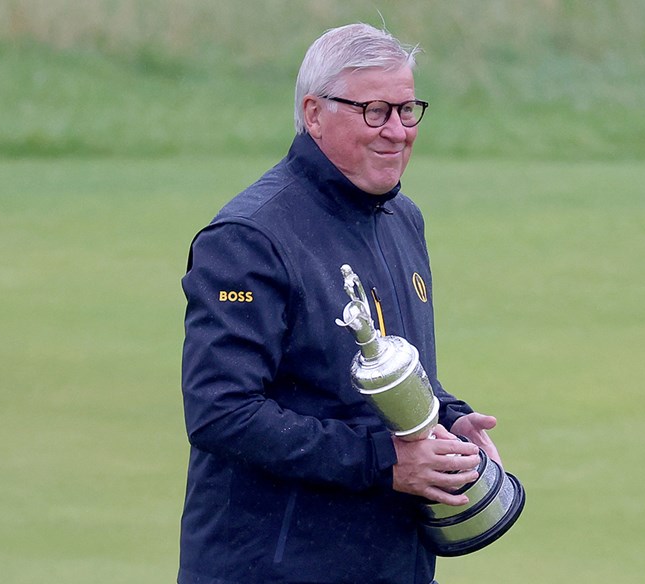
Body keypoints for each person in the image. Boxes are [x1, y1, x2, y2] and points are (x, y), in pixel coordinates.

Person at [179, 23, 504, 584]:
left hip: (391, 563)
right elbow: (221, 411)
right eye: (374, 111)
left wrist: (449, 422)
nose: (397, 131)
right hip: (272, 568)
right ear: (314, 113)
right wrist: (385, 460)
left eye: (407, 110)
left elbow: (397, 375)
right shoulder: (247, 239)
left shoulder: (403, 219)